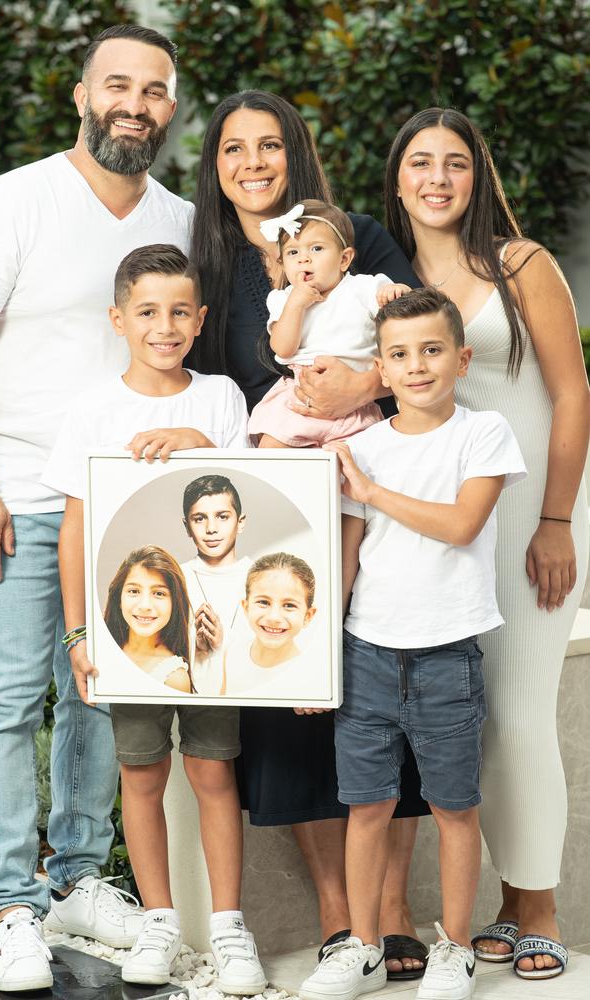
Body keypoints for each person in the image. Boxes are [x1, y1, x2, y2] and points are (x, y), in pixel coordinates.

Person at [0, 23, 194, 993]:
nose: (134, 103)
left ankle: (80, 875)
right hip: (18, 487)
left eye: (154, 90)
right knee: (9, 695)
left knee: (99, 694)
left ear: (169, 109)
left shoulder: (176, 214)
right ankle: (9, 901)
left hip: (127, 502)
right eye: (116, 85)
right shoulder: (12, 203)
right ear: (81, 96)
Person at [188, 89, 428, 978]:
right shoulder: (213, 266)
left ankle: (394, 908)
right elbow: (203, 385)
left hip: (375, 493)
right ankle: (337, 912)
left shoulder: (356, 232)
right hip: (280, 513)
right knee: (294, 709)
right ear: (214, 167)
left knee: (380, 692)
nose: (253, 163)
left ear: (297, 154)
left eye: (270, 146)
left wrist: (364, 382)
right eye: (233, 150)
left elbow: (421, 333)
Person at [385, 107, 590, 982]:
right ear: (397, 178)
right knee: (463, 727)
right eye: (421, 162)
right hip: (432, 529)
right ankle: (504, 902)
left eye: (455, 163)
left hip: (524, 523)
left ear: (477, 176)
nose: (437, 178)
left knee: (517, 716)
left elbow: (573, 393)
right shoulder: (379, 280)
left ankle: (535, 902)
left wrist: (553, 520)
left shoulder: (522, 265)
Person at [43, 243, 265, 992]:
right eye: (147, 312)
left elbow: (251, 496)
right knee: (140, 772)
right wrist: (78, 632)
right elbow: (76, 533)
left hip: (211, 630)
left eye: (179, 312)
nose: (164, 326)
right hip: (127, 634)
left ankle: (230, 927)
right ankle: (161, 921)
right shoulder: (93, 411)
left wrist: (200, 444)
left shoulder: (221, 398)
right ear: (118, 319)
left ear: (201, 319)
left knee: (212, 768)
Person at [299, 287, 526, 1000]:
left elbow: (462, 525)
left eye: (432, 350)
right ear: (382, 370)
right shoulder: (358, 449)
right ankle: (363, 948)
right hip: (367, 653)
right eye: (400, 354)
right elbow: (345, 556)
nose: (417, 365)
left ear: (460, 359)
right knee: (365, 807)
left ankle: (453, 949)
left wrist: (371, 489)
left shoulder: (483, 434)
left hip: (446, 654)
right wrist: (316, 659)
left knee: (454, 806)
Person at [249, 199, 410, 447]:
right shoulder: (283, 300)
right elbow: (282, 348)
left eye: (316, 249)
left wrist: (396, 291)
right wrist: (296, 305)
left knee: (358, 467)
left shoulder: (363, 288)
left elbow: (404, 314)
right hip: (300, 398)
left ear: (344, 259)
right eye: (293, 252)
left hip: (356, 405)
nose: (304, 259)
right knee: (272, 453)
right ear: (282, 264)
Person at [180, 475, 250, 695]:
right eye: (199, 518)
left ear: (240, 523)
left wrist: (222, 643)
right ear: (187, 526)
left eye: (222, 516)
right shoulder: (174, 577)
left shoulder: (260, 578)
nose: (211, 528)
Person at [222, 552, 318, 697]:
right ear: (246, 607)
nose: (274, 617)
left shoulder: (309, 675)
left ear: (307, 616)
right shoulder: (232, 653)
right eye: (264, 602)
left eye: (289, 605)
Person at [104, 546, 193, 692]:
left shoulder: (174, 677)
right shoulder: (101, 648)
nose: (145, 605)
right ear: (118, 598)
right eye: (134, 591)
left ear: (174, 603)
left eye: (158, 593)